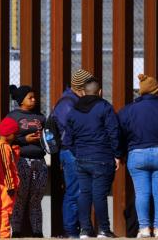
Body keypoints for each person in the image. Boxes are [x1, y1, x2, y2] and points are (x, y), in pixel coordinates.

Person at [119, 74, 158, 238]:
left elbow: (118, 132)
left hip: (137, 154)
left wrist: (120, 152)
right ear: (157, 91)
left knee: (142, 193)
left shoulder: (128, 110)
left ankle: (144, 229)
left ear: (141, 92)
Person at [65, 78, 121, 238]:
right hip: (102, 157)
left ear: (83, 92)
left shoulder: (73, 111)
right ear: (100, 92)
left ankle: (85, 230)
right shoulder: (105, 107)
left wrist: (79, 153)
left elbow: (68, 140)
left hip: (81, 159)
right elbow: (114, 132)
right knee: (99, 195)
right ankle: (104, 229)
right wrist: (117, 154)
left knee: (84, 193)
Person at [49, 68, 94, 237]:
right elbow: (72, 131)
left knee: (80, 191)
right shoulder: (67, 103)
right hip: (72, 152)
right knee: (75, 191)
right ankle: (71, 230)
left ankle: (77, 228)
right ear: (81, 87)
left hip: (77, 152)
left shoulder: (74, 101)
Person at [7, 85, 47, 238]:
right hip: (21, 160)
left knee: (36, 197)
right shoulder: (13, 116)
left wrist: (44, 139)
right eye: (30, 97)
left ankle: (38, 232)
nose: (33, 100)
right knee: (20, 197)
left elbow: (48, 136)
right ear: (21, 100)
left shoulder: (41, 117)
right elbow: (7, 137)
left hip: (39, 161)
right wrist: (24, 139)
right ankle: (16, 231)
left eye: (34, 97)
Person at [0, 117, 21, 239]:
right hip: (5, 186)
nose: (15, 136)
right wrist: (11, 186)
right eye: (14, 133)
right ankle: (4, 236)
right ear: (8, 133)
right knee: (5, 212)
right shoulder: (3, 148)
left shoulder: (1, 146)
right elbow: (6, 168)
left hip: (1, 184)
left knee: (0, 210)